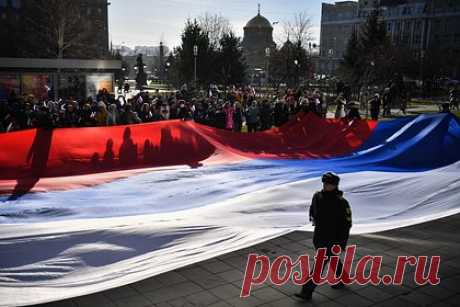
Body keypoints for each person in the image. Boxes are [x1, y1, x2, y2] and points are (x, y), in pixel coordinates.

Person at [296, 172, 352, 301]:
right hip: (319, 236)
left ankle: (306, 291)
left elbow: (346, 224)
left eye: (330, 184)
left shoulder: (341, 202)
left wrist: (341, 243)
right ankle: (342, 278)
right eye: (325, 183)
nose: (327, 186)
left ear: (336, 185)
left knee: (319, 264)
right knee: (332, 259)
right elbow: (313, 209)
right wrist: (313, 218)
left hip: (333, 239)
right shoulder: (317, 196)